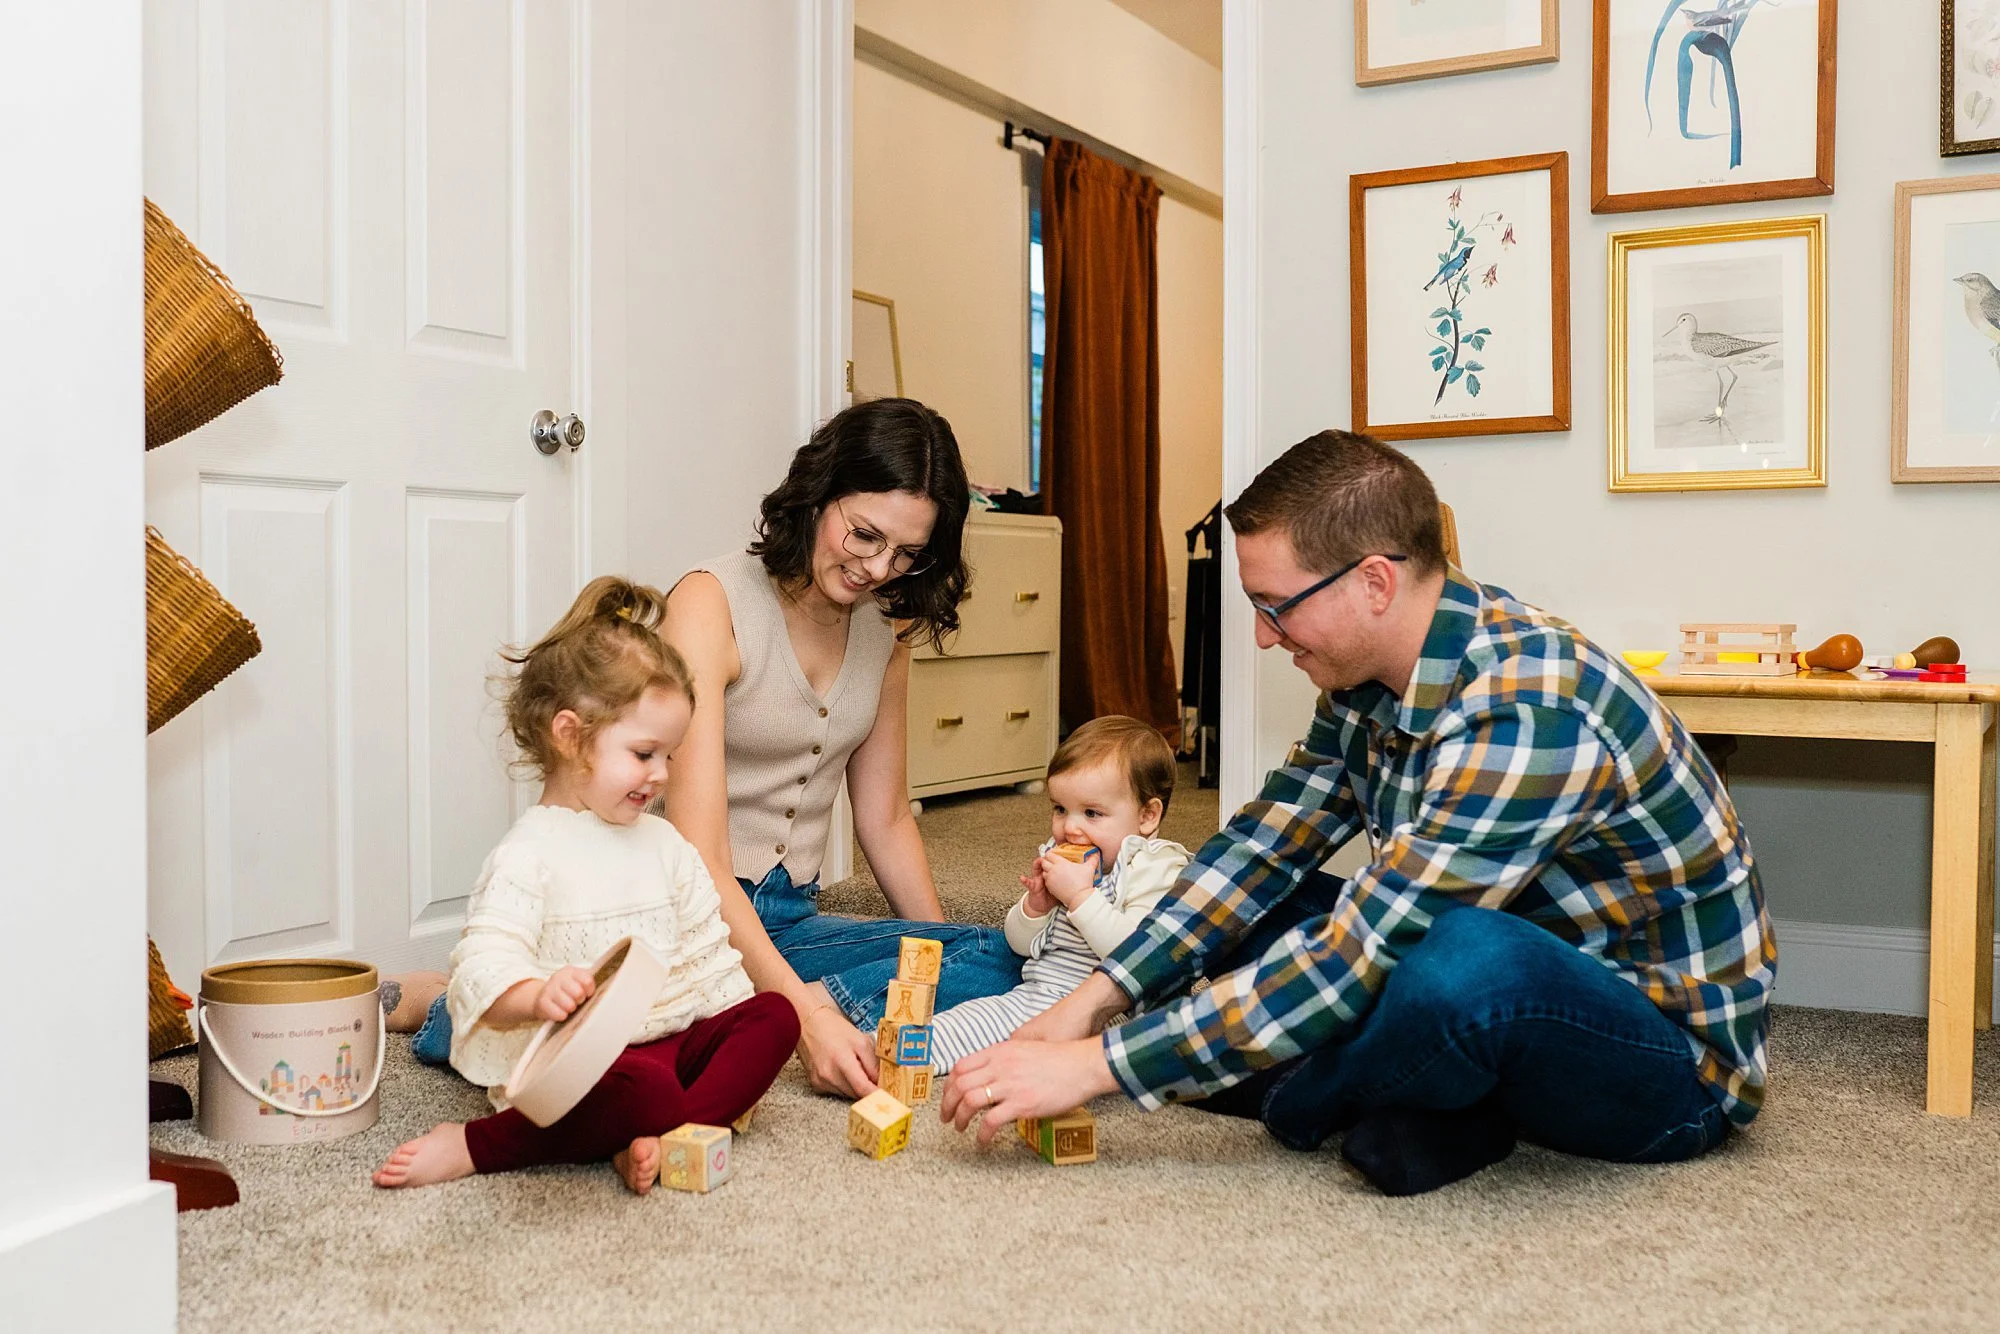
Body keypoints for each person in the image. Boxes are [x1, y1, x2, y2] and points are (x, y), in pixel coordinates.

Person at [940, 430, 1776, 1196]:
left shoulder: (1530, 705)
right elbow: (1260, 851)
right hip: (1470, 969)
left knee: (1463, 960)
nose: (1265, 637)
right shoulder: (1362, 685)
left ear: (1374, 581)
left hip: (1666, 1059)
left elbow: (1370, 948)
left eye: (1276, 605)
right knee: (1240, 904)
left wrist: (1097, 1065)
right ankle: (1437, 1102)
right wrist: (1096, 996)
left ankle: (1310, 1099)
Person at [373, 577, 798, 1192]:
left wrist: (729, 1031)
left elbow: (711, 957)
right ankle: (479, 1145)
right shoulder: (529, 854)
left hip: (675, 1041)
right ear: (570, 736)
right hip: (587, 1065)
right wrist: (537, 994)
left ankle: (654, 1131)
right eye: (644, 753)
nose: (660, 775)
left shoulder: (666, 844)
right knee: (637, 1087)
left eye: (670, 756)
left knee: (776, 1017)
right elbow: (484, 965)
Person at [665, 398, 1023, 1099]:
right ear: (819, 492)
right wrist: (806, 1017)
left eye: (907, 554)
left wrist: (935, 958)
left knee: (999, 959)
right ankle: (793, 1019)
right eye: (864, 534)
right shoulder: (710, 604)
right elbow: (697, 859)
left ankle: (761, 1016)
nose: (878, 568)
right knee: (603, 1024)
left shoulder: (884, 630)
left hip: (791, 919)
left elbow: (885, 818)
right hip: (689, 912)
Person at [926, 716, 1192, 1073]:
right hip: (1042, 991)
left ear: (1147, 815)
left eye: (1092, 813)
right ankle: (888, 1052)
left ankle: (906, 1059)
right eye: (1060, 809)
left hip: (1116, 1016)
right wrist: (1036, 907)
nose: (1069, 827)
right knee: (973, 1018)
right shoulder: (1063, 856)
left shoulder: (1153, 865)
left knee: (1015, 1041)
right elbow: (1019, 945)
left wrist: (1080, 896)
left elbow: (1138, 955)